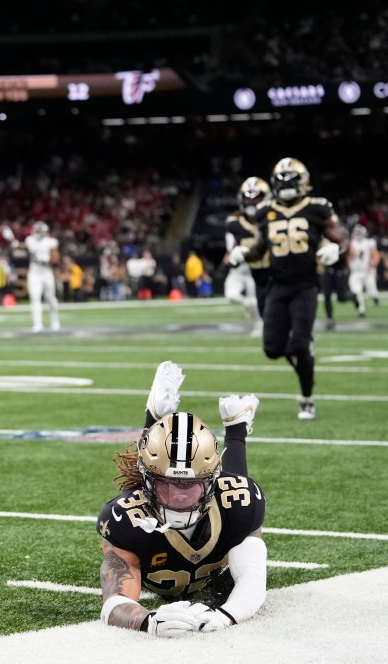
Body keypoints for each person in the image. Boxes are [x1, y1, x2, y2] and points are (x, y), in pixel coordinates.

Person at [98, 361, 267, 636]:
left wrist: (226, 616)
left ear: (212, 481)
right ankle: (154, 419)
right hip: (161, 480)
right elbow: (114, 603)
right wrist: (146, 621)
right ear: (149, 484)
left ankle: (236, 430)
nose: (178, 496)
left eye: (190, 487)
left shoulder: (240, 501)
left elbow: (252, 579)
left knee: (235, 489)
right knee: (155, 462)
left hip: (208, 489)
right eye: (167, 486)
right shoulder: (126, 518)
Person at [230, 157, 348, 420]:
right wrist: (244, 253)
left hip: (305, 286)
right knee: (272, 348)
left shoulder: (317, 207)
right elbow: (261, 247)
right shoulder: (266, 211)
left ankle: (307, 399)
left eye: (290, 180)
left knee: (300, 345)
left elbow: (342, 236)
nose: (285, 186)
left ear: (303, 182)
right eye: (281, 181)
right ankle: (303, 353)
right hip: (277, 285)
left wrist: (336, 248)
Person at [224, 177, 270, 335]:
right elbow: (230, 252)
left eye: (256, 197)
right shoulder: (234, 224)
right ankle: (251, 309)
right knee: (231, 296)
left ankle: (261, 324)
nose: (251, 202)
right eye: (248, 197)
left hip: (261, 270)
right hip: (242, 269)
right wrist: (233, 256)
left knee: (262, 303)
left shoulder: (272, 219)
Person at [25, 221, 60, 332]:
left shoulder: (51, 242)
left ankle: (55, 321)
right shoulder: (30, 240)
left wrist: (45, 260)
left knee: (50, 298)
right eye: (37, 230)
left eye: (40, 230)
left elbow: (55, 259)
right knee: (35, 297)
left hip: (46, 272)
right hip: (34, 273)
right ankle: (37, 324)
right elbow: (22, 247)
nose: (38, 232)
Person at [347, 225, 381, 317]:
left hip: (367, 271)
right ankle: (361, 310)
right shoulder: (352, 243)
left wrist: (373, 264)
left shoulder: (369, 243)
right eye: (356, 232)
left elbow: (376, 255)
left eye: (359, 232)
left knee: (371, 291)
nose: (357, 234)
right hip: (356, 272)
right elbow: (349, 257)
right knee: (356, 291)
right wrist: (349, 266)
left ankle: (375, 297)